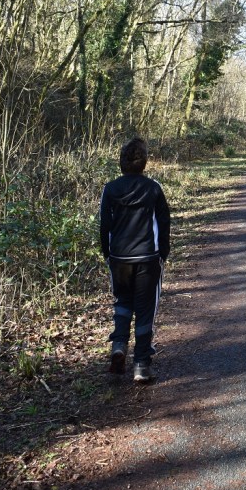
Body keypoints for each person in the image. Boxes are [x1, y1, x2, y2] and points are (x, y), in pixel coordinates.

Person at [100, 137, 170, 383]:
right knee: (145, 309)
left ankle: (119, 345)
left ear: (121, 162)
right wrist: (163, 253)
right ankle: (141, 365)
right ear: (144, 162)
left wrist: (107, 253)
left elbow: (105, 225)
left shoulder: (109, 189)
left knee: (122, 302)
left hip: (119, 257)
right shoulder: (153, 188)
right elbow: (164, 222)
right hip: (148, 257)